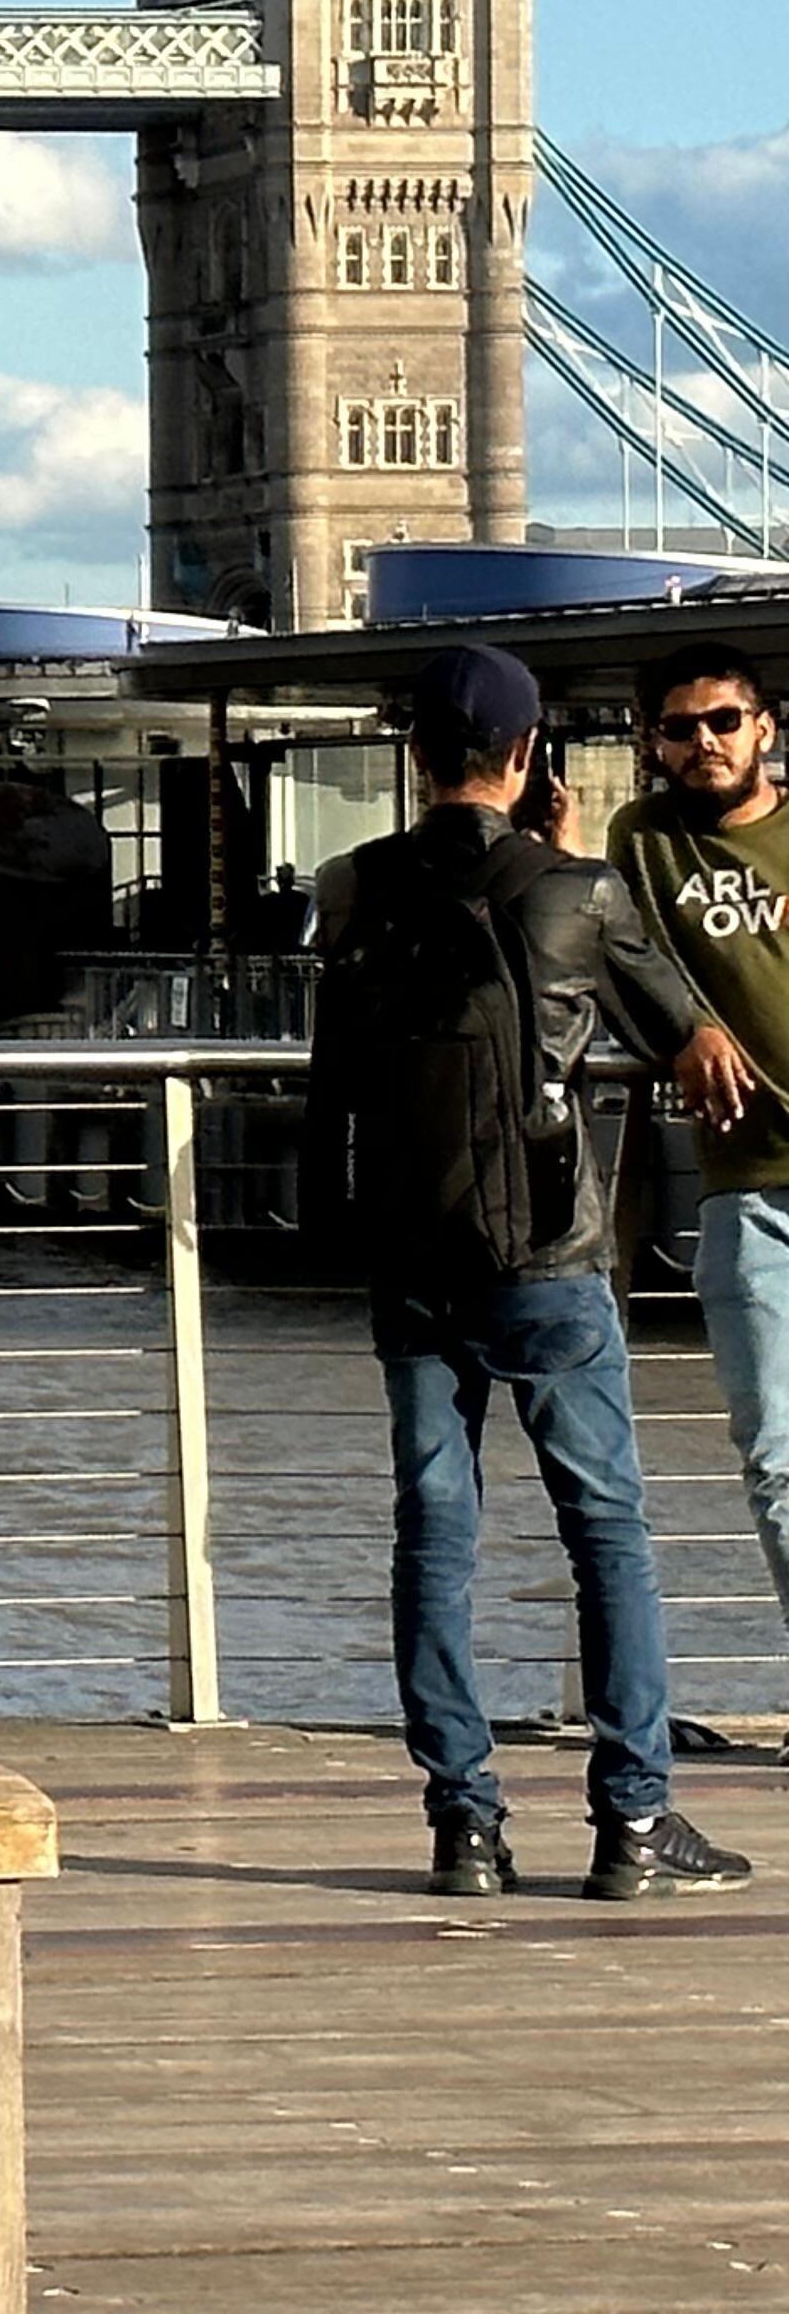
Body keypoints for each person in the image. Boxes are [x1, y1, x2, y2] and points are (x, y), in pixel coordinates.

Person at [307, 644, 750, 1898]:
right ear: (526, 755)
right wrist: (561, 858)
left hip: (409, 1253)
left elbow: (331, 1077)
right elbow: (677, 1022)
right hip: (549, 1258)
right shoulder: (582, 893)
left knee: (435, 1531)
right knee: (607, 1528)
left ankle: (466, 1824)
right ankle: (634, 1821)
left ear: (413, 759)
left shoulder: (351, 888)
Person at [601, 640, 789, 1757]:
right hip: (748, 1188)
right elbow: (626, 959)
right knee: (775, 1455)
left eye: (724, 720)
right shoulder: (643, 843)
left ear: (766, 725)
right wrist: (689, 1029)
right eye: (680, 728)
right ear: (651, 742)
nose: (704, 743)